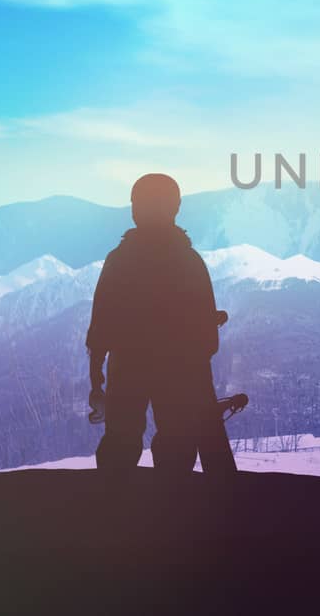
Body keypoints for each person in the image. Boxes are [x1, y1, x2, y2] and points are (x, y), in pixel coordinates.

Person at [86, 173, 236, 474]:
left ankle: (109, 511)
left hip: (125, 368)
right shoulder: (190, 262)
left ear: (135, 208)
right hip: (179, 372)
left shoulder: (118, 260)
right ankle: (173, 510)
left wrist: (97, 382)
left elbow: (100, 327)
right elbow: (208, 342)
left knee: (119, 444)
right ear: (175, 208)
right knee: (177, 449)